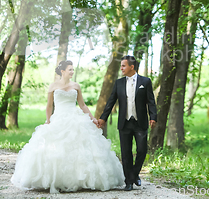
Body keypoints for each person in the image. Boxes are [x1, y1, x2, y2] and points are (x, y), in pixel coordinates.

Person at [11, 60, 125, 194]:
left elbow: (82, 105)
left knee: (81, 147)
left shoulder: (76, 86)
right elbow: (49, 105)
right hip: (58, 117)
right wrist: (48, 120)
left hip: (75, 117)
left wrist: (92, 118)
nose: (72, 72)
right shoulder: (53, 86)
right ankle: (56, 179)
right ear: (63, 71)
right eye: (70, 69)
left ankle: (81, 179)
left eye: (72, 70)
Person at [97, 55, 158, 191]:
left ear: (132, 67)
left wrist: (153, 117)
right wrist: (103, 118)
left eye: (123, 66)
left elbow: (151, 101)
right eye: (121, 66)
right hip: (124, 123)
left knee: (142, 150)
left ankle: (134, 174)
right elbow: (111, 101)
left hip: (140, 122)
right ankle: (129, 182)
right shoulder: (118, 83)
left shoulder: (145, 81)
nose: (121, 68)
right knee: (126, 153)